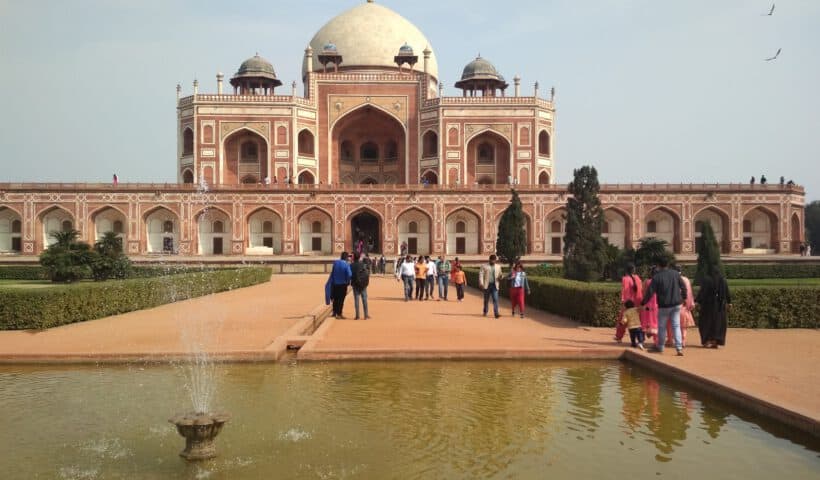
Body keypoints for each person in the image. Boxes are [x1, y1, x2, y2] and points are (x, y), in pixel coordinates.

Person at [641, 258, 687, 356]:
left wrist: (643, 302)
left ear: (658, 265)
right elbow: (683, 286)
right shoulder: (675, 274)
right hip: (676, 304)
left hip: (664, 305)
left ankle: (660, 347)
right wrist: (684, 298)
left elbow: (650, 292)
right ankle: (679, 348)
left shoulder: (657, 277)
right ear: (668, 264)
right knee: (676, 326)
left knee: (662, 327)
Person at [696, 268, 731, 348]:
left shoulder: (707, 280)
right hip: (719, 306)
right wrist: (729, 302)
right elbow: (726, 292)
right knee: (718, 324)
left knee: (706, 323)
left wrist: (698, 301)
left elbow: (702, 292)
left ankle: (707, 341)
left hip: (707, 306)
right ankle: (716, 341)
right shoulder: (722, 280)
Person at [615, 264, 643, 343]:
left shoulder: (625, 279)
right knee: (638, 321)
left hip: (629, 303)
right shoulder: (638, 278)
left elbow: (625, 292)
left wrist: (624, 302)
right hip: (637, 303)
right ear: (634, 270)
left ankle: (619, 337)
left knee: (622, 320)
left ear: (626, 270)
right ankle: (640, 339)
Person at [672, 265, 696, 347]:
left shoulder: (673, 279)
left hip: (674, 305)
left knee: (675, 325)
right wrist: (690, 304)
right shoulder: (686, 279)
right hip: (684, 305)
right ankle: (683, 340)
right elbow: (689, 292)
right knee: (684, 325)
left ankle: (676, 340)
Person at [327, 252, 352, 319]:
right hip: (342, 284)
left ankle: (334, 312)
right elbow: (349, 274)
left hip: (335, 284)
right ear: (346, 258)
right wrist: (348, 281)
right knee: (341, 300)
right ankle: (339, 314)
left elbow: (333, 272)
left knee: (335, 299)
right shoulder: (347, 265)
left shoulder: (336, 263)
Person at [640, 267, 659, 343]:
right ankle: (656, 341)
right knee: (656, 322)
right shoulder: (659, 281)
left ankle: (641, 340)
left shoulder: (646, 281)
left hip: (647, 304)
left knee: (644, 322)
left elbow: (643, 292)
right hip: (657, 305)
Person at [350, 252, 370, 320]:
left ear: (354, 257)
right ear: (359, 257)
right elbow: (367, 273)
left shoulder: (351, 265)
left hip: (355, 284)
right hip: (363, 284)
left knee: (356, 299)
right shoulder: (362, 264)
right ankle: (366, 315)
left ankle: (357, 316)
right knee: (364, 299)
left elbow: (350, 274)